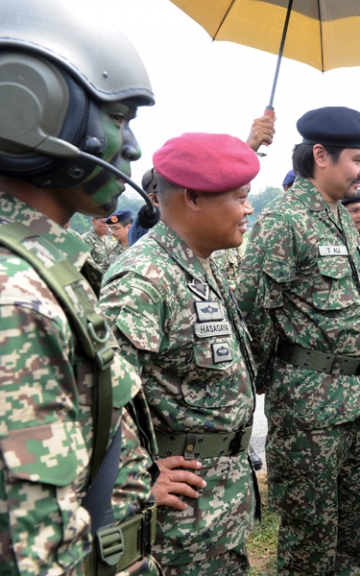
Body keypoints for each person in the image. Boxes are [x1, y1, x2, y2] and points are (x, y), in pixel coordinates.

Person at [0, 1, 160, 573]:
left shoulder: (46, 262)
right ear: (30, 109)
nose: (132, 147)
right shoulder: (18, 298)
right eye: (118, 118)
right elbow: (33, 554)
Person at [99, 132, 261, 576]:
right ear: (192, 198)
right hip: (180, 525)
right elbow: (95, 398)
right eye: (240, 198)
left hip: (218, 506)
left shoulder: (196, 262)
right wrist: (138, 477)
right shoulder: (145, 280)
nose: (249, 209)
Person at [237, 106, 360, 575]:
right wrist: (265, 382)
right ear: (321, 155)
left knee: (354, 523)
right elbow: (254, 310)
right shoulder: (284, 220)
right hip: (309, 409)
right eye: (358, 159)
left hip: (356, 399)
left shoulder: (340, 217)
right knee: (310, 535)